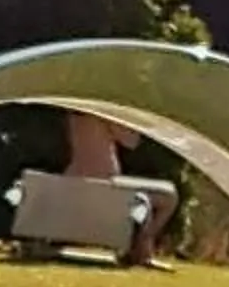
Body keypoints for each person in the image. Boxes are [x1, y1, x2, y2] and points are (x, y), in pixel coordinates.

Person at [64, 110, 178, 267]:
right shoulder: (105, 113)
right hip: (106, 183)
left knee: (145, 198)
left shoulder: (76, 114)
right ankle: (142, 246)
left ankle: (140, 248)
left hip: (75, 179)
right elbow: (131, 142)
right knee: (169, 195)